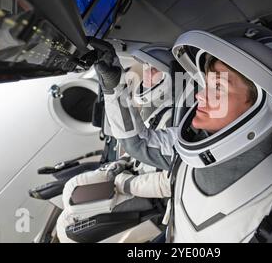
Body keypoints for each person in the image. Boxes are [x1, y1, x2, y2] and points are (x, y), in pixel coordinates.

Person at [96, 23, 272, 243]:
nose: (198, 95)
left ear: (263, 107)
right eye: (205, 84)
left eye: (218, 88)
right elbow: (135, 141)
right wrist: (113, 86)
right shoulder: (185, 152)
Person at [56, 45, 181, 243]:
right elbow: (136, 147)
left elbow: (172, 181)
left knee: (68, 228)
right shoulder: (161, 112)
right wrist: (119, 167)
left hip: (156, 198)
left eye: (153, 70)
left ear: (170, 76)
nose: (146, 76)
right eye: (145, 68)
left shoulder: (180, 119)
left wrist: (125, 183)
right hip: (137, 182)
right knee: (69, 198)